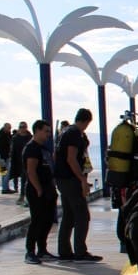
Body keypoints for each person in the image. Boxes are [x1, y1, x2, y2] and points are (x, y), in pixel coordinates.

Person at [53, 108, 100, 261]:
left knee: (69, 215)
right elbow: (71, 158)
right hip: (70, 179)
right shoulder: (74, 134)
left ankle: (64, 251)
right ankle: (80, 251)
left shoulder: (65, 132)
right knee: (82, 216)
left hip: (63, 178)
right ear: (87, 121)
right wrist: (82, 180)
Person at [22, 120, 58, 264]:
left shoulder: (44, 148)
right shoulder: (32, 148)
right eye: (45, 131)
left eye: (49, 131)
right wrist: (38, 189)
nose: (48, 134)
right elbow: (31, 171)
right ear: (37, 130)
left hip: (48, 189)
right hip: (37, 190)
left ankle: (42, 249)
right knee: (37, 221)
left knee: (48, 220)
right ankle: (30, 252)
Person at [10, 121, 31, 205]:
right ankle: (22, 195)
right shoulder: (15, 138)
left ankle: (27, 196)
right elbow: (13, 150)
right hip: (19, 161)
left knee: (28, 179)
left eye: (24, 127)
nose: (23, 129)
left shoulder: (30, 137)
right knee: (23, 179)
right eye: (21, 127)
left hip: (28, 161)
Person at [0, 122, 14, 193]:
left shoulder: (6, 136)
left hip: (4, 157)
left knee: (4, 174)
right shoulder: (1, 137)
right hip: (2, 158)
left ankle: (5, 187)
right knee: (5, 174)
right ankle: (5, 188)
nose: (9, 129)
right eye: (8, 128)